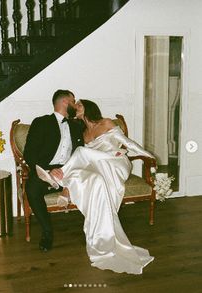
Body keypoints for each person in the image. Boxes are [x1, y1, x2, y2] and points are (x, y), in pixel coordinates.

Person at [36, 99, 155, 274]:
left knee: (81, 153)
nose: (75, 108)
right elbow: (85, 160)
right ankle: (66, 188)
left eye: (79, 105)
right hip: (98, 166)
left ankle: (58, 180)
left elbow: (127, 143)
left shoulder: (106, 123)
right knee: (83, 173)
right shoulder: (83, 133)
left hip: (116, 162)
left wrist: (150, 156)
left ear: (89, 108)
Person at [23, 90, 84, 252]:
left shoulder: (76, 125)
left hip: (70, 171)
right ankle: (47, 232)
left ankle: (95, 231)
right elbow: (29, 153)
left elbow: (81, 152)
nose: (75, 104)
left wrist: (68, 170)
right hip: (47, 172)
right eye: (73, 101)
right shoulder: (41, 122)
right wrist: (48, 171)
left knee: (95, 181)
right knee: (32, 188)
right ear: (64, 102)